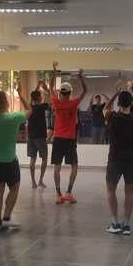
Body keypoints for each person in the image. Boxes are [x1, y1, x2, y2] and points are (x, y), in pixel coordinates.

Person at [0, 85, 30, 230]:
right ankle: (7, 217)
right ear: (6, 101)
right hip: (9, 160)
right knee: (14, 188)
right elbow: (30, 110)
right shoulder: (14, 117)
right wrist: (20, 94)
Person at [104, 82, 133, 235]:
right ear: (131, 104)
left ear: (118, 104)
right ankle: (126, 224)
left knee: (111, 189)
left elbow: (106, 107)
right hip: (132, 158)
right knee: (129, 191)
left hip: (115, 158)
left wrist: (116, 93)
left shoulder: (112, 117)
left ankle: (115, 223)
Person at [50, 62, 88, 204]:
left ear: (60, 92)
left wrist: (55, 73)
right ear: (70, 92)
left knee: (57, 167)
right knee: (74, 166)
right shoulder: (73, 103)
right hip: (70, 139)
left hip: (58, 138)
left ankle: (58, 194)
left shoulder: (56, 102)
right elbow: (85, 91)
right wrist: (81, 77)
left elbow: (50, 88)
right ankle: (68, 192)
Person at [27, 82, 51, 189]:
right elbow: (50, 100)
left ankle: (33, 182)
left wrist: (37, 87)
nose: (42, 97)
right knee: (44, 158)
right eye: (41, 96)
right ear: (39, 98)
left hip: (31, 137)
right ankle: (40, 180)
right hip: (40, 137)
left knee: (32, 159)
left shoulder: (31, 107)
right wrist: (47, 89)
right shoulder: (42, 107)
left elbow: (32, 99)